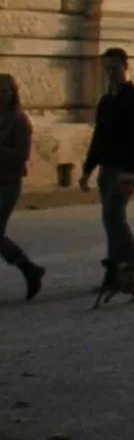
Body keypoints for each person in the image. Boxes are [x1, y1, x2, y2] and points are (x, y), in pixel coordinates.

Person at [79, 48, 134, 287]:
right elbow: (98, 138)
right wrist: (87, 170)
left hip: (125, 169)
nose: (110, 73)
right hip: (106, 169)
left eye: (114, 68)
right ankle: (115, 274)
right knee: (110, 221)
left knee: (113, 215)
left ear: (124, 67)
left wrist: (131, 171)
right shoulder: (106, 101)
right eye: (106, 69)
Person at [0, 74, 45, 300]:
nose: (1, 96)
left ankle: (29, 268)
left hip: (8, 183)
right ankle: (29, 269)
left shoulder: (19, 121)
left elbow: (22, 155)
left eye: (4, 91)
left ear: (12, 94)